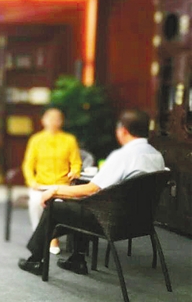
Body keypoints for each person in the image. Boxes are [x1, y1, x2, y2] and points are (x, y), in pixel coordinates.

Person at [18, 110, 165, 276]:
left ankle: (35, 259)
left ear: (123, 131)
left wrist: (55, 191)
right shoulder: (157, 156)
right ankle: (76, 259)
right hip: (139, 221)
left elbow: (91, 188)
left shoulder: (122, 156)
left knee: (57, 207)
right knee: (83, 204)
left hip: (111, 220)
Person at [21, 108, 82, 254]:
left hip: (61, 185)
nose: (53, 121)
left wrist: (75, 171)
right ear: (43, 120)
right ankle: (39, 236)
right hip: (41, 184)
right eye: (50, 118)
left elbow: (76, 162)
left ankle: (53, 238)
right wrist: (31, 181)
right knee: (35, 203)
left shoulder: (69, 140)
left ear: (61, 122)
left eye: (57, 118)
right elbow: (28, 164)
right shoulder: (36, 140)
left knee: (57, 206)